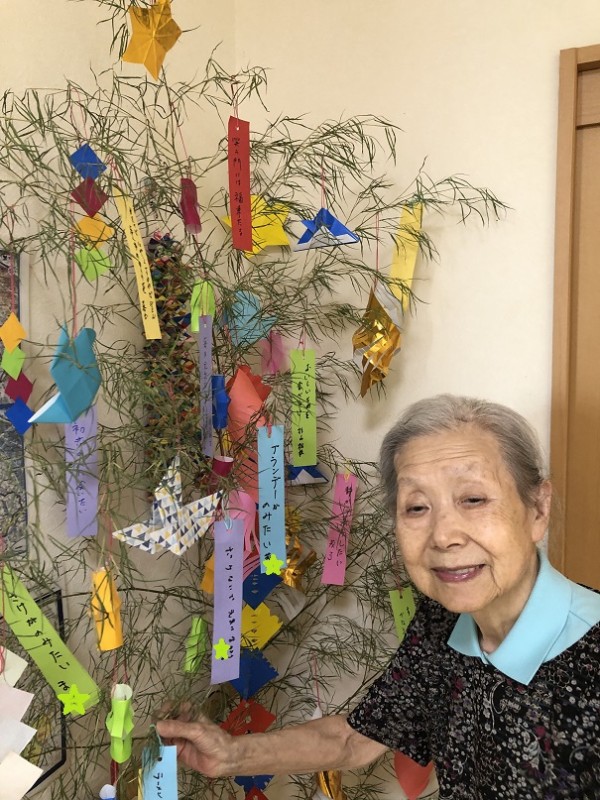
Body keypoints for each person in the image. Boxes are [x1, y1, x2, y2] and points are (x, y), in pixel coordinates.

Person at [157, 395, 600, 798]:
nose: (443, 535)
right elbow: (355, 739)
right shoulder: (441, 621)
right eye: (417, 507)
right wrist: (231, 755)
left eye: (473, 499)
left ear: (538, 509)